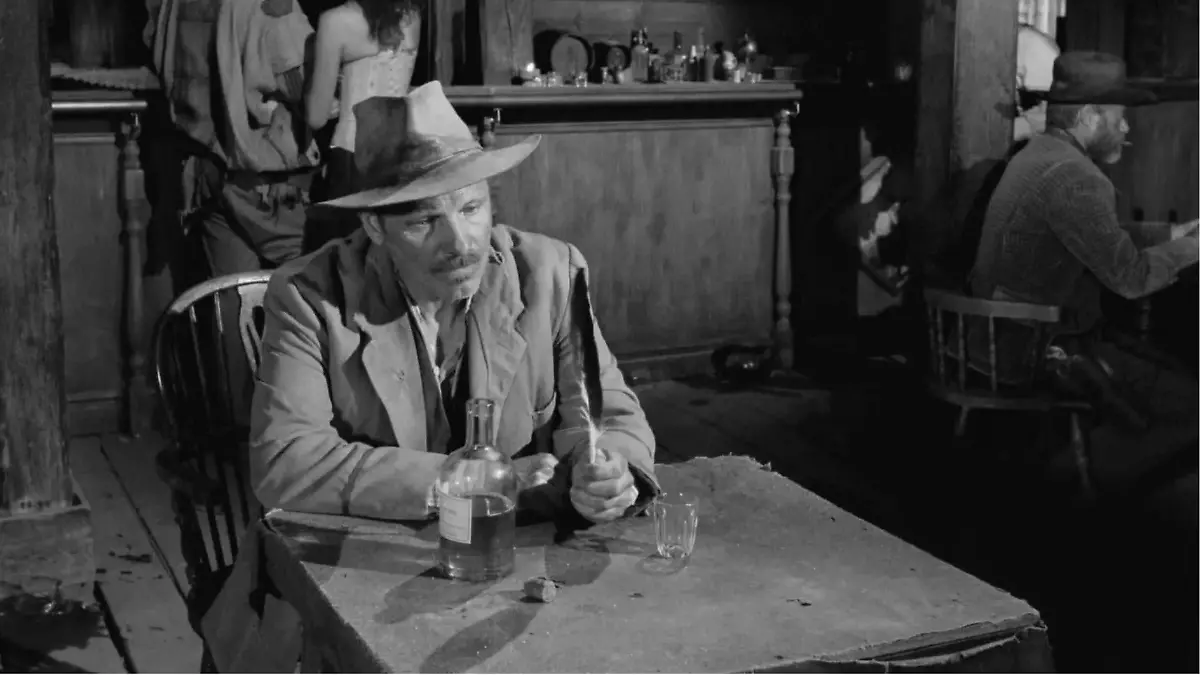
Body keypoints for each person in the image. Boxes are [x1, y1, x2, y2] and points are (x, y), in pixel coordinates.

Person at [249, 81, 659, 523]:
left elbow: (611, 416)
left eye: (471, 209)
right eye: (425, 221)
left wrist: (612, 474)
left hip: (520, 543)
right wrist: (474, 480)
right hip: (379, 546)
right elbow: (287, 461)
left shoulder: (551, 273)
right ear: (374, 227)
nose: (461, 244)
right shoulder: (309, 298)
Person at [969, 51, 1199, 489]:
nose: (1126, 129)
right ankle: (1086, 500)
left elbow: (1091, 232)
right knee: (1190, 407)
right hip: (1035, 350)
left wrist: (1172, 234)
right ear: (1091, 116)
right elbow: (1131, 279)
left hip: (998, 338)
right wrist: (1194, 247)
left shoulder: (1038, 154)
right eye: (1120, 118)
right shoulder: (1077, 177)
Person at [303, 0, 422, 252]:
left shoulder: (335, 21)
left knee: (348, 258)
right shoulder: (410, 17)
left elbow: (316, 116)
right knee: (392, 255)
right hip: (400, 156)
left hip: (352, 158)